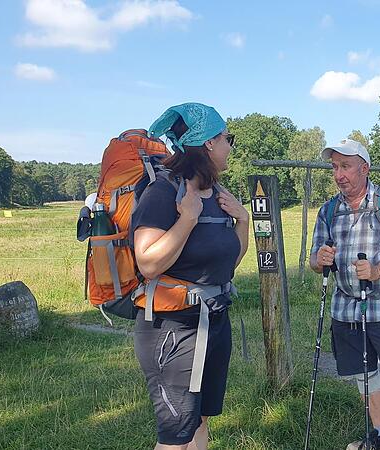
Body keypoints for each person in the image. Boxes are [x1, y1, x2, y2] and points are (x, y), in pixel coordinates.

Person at [132, 103, 249, 450]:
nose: (230, 147)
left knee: (199, 422)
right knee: (176, 436)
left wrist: (242, 220)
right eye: (227, 139)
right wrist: (187, 219)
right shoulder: (163, 192)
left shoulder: (218, 194)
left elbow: (227, 263)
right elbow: (147, 263)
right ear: (209, 142)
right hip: (173, 327)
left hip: (214, 319)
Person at [310, 138, 380, 450]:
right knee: (364, 374)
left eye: (345, 166)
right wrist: (320, 259)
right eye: (334, 167)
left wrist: (376, 271)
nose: (339, 174)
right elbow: (314, 260)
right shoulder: (329, 210)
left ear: (365, 168)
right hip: (345, 309)